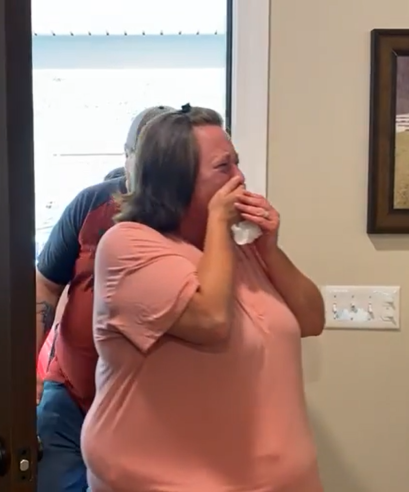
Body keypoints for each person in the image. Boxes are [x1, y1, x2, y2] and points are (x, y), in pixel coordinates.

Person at [81, 104, 326, 491]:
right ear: (175, 181)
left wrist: (270, 248)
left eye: (237, 163)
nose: (240, 177)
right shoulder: (127, 245)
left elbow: (313, 320)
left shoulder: (237, 249)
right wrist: (218, 222)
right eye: (223, 166)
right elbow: (210, 320)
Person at [34, 105, 174, 492]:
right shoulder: (90, 205)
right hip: (69, 403)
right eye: (141, 156)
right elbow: (46, 285)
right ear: (127, 158)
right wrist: (23, 381)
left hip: (149, 417)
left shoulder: (191, 220)